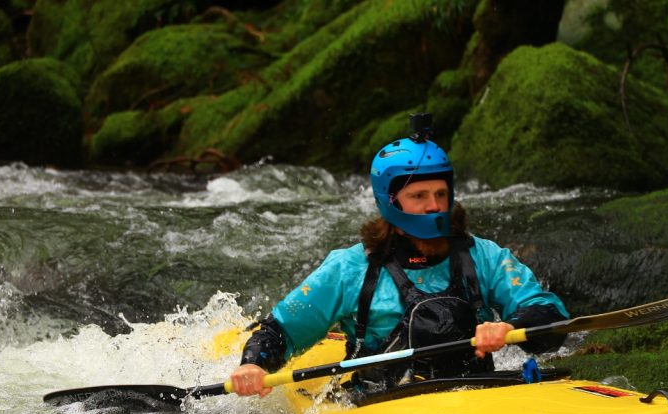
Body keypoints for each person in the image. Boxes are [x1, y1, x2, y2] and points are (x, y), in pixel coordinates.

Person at [230, 115, 569, 398]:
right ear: (391, 201)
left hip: (477, 398)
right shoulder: (351, 269)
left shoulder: (484, 257)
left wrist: (511, 325)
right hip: (382, 406)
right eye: (419, 195)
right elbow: (280, 332)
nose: (434, 205)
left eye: (440, 193)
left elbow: (549, 317)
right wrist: (254, 364)